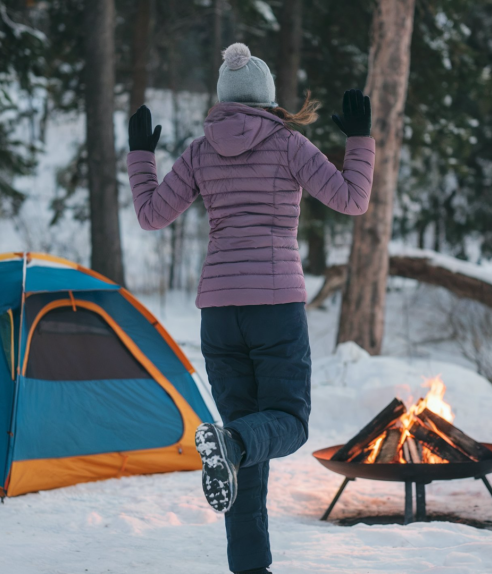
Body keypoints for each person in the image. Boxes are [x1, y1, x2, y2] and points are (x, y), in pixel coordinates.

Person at [126, 42, 374, 574]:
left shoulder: (198, 151)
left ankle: (249, 562)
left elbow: (149, 215)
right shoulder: (289, 143)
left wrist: (140, 156)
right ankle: (233, 441)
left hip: (218, 311)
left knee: (243, 450)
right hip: (275, 305)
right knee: (286, 422)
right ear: (267, 98)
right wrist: (359, 139)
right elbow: (353, 199)